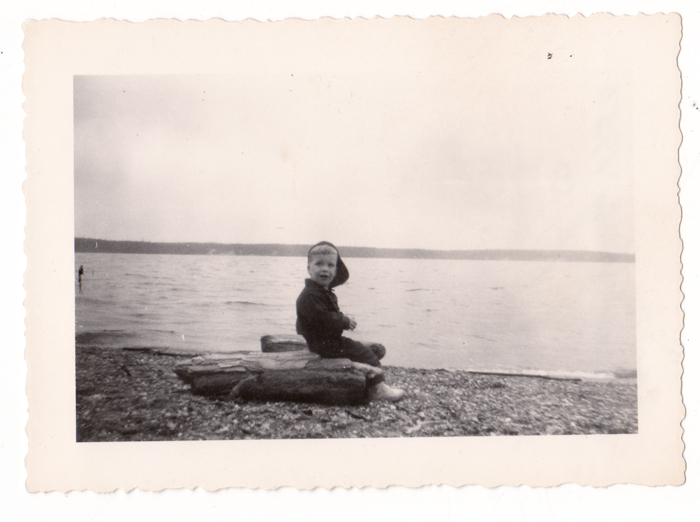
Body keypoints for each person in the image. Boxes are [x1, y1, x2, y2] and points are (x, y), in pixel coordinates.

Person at [296, 241, 405, 402]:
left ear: (335, 270)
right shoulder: (311, 295)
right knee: (365, 353)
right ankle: (377, 389)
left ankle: (366, 382)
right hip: (325, 344)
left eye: (330, 265)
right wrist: (344, 321)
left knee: (363, 350)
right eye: (319, 264)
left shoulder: (321, 292)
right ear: (308, 269)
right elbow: (324, 318)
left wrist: (341, 318)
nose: (325, 269)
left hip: (323, 341)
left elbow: (327, 314)